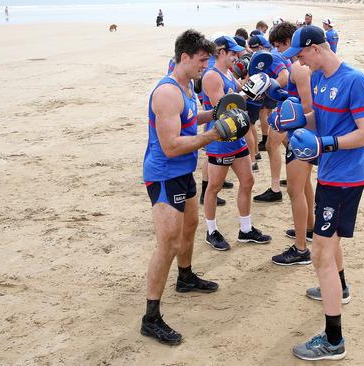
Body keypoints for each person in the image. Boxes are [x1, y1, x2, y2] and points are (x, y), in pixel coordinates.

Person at [141, 29, 252, 345]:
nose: (206, 65)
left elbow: (190, 118)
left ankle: (185, 278)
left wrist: (220, 113)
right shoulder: (167, 93)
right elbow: (171, 145)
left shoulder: (188, 87)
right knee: (168, 244)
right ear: (184, 57)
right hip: (164, 175)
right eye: (202, 60)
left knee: (191, 225)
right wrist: (214, 134)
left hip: (183, 172)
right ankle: (150, 318)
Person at [282, 25, 364, 361]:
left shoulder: (355, 80)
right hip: (329, 174)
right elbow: (319, 119)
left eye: (302, 55)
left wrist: (326, 143)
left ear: (316, 49)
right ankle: (342, 286)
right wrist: (296, 121)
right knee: (330, 245)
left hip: (346, 180)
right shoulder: (320, 78)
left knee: (320, 254)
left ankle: (334, 340)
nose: (300, 62)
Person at [202, 36, 272, 250]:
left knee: (248, 181)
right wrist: (246, 93)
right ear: (221, 52)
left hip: (237, 136)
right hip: (221, 138)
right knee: (214, 187)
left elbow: (237, 93)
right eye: (233, 53)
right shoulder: (212, 76)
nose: (236, 57)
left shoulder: (228, 72)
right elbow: (223, 109)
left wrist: (253, 86)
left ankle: (245, 229)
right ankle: (211, 231)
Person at [268, 22, 315, 266]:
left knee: (294, 190)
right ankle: (309, 229)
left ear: (291, 42)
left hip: (302, 135)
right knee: (304, 185)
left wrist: (286, 118)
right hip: (302, 135)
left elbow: (308, 107)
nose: (278, 51)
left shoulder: (299, 67)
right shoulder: (301, 66)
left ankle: (300, 249)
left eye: (281, 45)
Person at [248, 34, 290, 203]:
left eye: (279, 46)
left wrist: (271, 87)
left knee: (271, 145)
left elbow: (284, 76)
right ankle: (294, 172)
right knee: (288, 143)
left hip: (286, 106)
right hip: (285, 104)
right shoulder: (262, 59)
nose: (278, 50)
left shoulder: (270, 57)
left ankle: (275, 189)